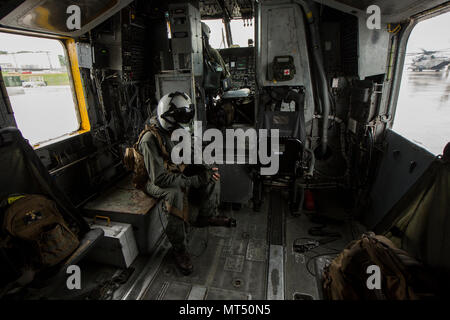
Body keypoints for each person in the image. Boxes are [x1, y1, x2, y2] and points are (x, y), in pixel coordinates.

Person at [137, 92, 236, 275]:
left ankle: (205, 216)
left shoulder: (175, 128)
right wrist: (194, 180)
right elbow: (159, 178)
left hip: (174, 170)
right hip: (154, 180)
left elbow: (190, 151)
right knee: (175, 195)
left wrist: (204, 167)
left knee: (210, 172)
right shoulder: (149, 140)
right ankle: (179, 249)